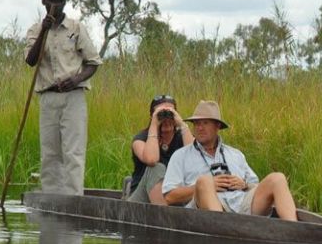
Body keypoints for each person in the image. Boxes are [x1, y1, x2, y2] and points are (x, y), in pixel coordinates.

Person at [24, 0, 102, 195]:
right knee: (50, 153)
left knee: (73, 152)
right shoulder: (35, 30)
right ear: (44, 2)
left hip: (73, 97)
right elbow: (31, 60)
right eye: (51, 0)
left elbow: (93, 62)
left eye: (59, 0)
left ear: (65, 3)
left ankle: (74, 200)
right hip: (48, 97)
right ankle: (52, 200)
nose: (55, 4)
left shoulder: (76, 28)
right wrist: (44, 31)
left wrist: (76, 80)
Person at [162, 100, 298, 221]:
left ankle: (294, 229)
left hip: (242, 205)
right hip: (206, 211)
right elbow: (169, 197)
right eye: (196, 123)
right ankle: (223, 227)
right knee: (204, 181)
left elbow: (255, 185)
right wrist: (205, 186)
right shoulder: (180, 156)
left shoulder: (236, 154)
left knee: (277, 178)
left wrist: (244, 185)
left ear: (217, 126)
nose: (199, 128)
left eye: (205, 123)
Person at [128, 94, 194, 204]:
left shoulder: (182, 137)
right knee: (156, 168)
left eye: (170, 113)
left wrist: (182, 124)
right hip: (139, 203)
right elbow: (151, 159)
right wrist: (154, 124)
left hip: (173, 197)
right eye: (161, 113)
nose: (166, 117)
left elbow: (196, 158)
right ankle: (165, 218)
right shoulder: (141, 139)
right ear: (152, 116)